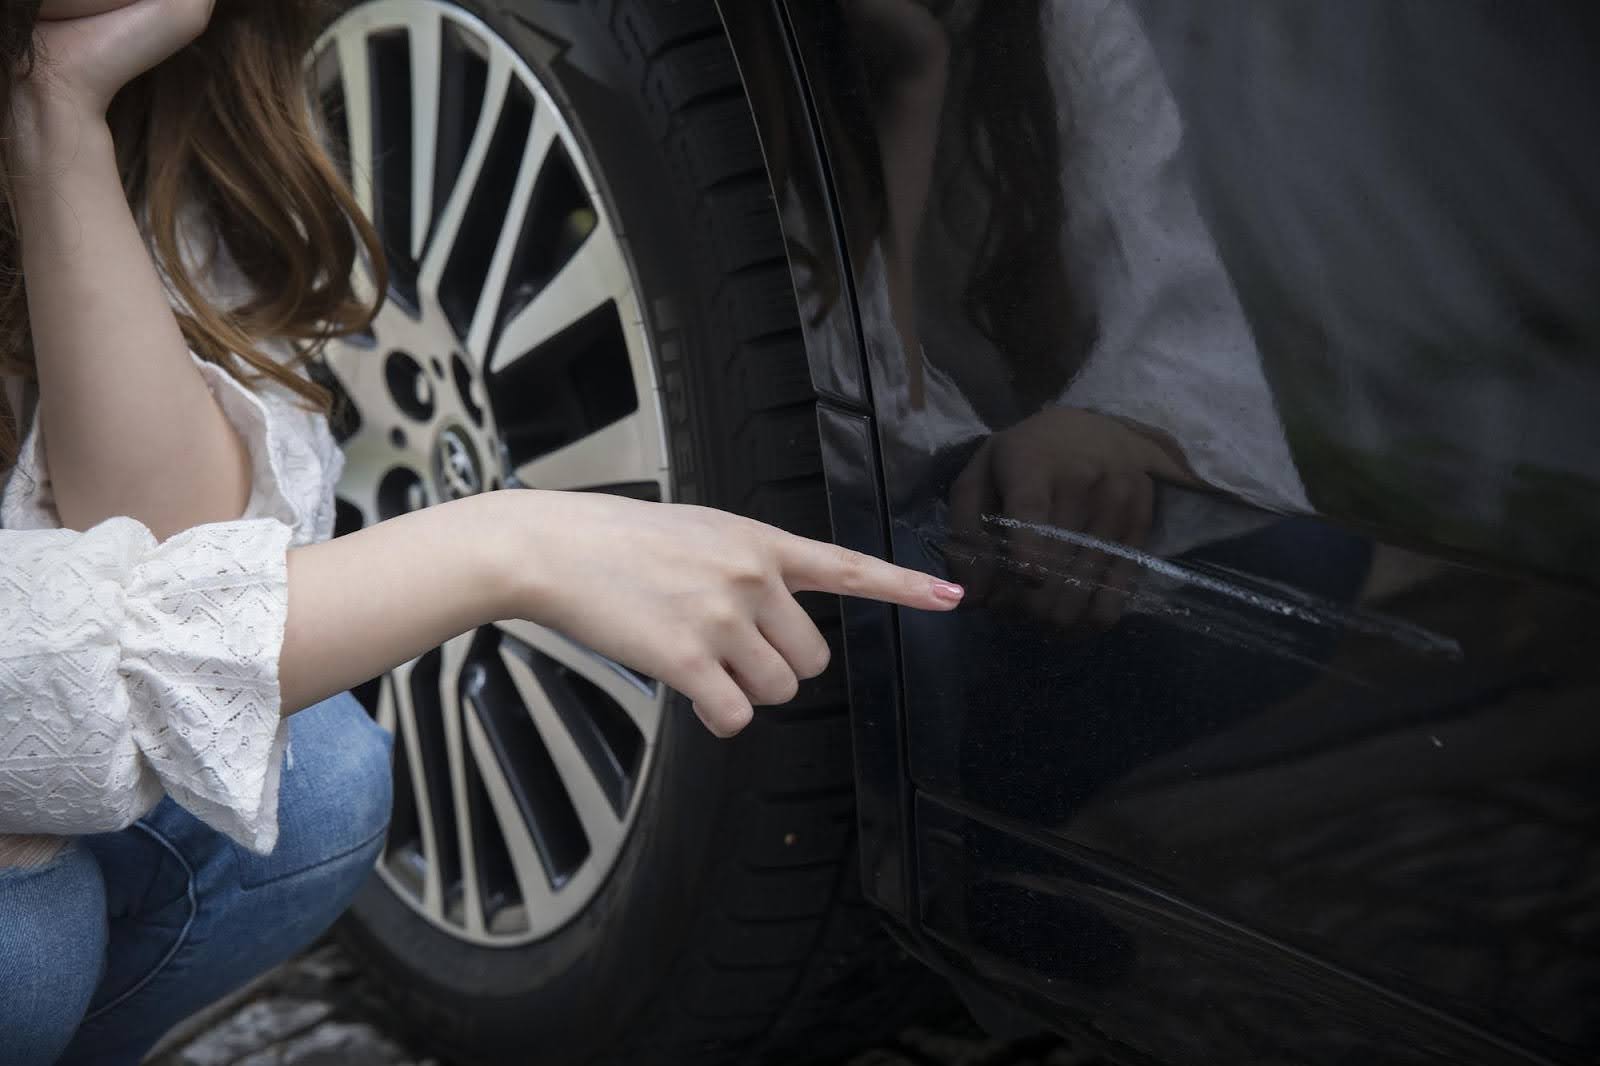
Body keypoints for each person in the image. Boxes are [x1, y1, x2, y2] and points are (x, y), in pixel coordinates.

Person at [0, 2, 964, 1062]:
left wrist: (55, 121)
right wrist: (507, 547)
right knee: (28, 933)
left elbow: (171, 554)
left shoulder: (171, 99)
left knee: (316, 780)